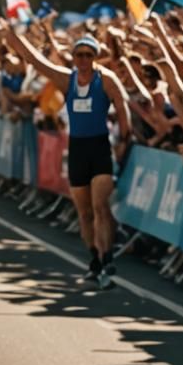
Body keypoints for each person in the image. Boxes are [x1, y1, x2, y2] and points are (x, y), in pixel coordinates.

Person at [9, 30, 131, 288]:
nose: (84, 60)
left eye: (89, 55)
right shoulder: (67, 80)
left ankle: (107, 257)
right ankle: (94, 261)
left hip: (100, 148)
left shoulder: (105, 79)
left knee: (100, 206)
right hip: (76, 149)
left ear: (95, 57)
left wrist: (124, 139)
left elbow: (122, 107)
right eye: (79, 55)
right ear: (74, 58)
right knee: (84, 212)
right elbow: (38, 63)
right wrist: (17, 41)